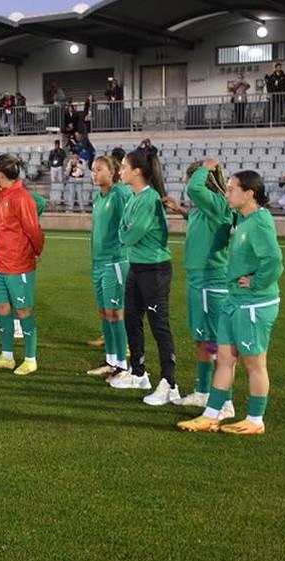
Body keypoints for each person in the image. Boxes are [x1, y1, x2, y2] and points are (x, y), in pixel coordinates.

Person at [178, 170, 283, 435]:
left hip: (254, 304)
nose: (227, 194)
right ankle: (211, 415)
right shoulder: (243, 218)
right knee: (224, 358)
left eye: (232, 189)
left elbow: (273, 261)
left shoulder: (259, 222)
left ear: (249, 194)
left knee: (254, 363)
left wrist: (257, 283)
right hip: (234, 300)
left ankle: (255, 420)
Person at [162, 160, 237, 412]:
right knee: (203, 340)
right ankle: (204, 392)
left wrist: (206, 165)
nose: (185, 182)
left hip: (211, 282)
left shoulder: (219, 203)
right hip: (199, 281)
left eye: (188, 177)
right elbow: (198, 217)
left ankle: (225, 401)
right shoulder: (207, 209)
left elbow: (195, 189)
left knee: (217, 343)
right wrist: (180, 210)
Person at [110, 150, 179, 405]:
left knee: (159, 326)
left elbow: (130, 235)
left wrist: (126, 231)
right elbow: (122, 230)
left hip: (155, 269)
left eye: (124, 167)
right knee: (131, 320)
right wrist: (125, 230)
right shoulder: (133, 198)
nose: (120, 171)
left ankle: (170, 383)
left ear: (137, 171)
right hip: (137, 268)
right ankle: (139, 373)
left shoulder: (149, 199)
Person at [0, 155, 44, 375]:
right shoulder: (2, 196)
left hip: (19, 265)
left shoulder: (21, 197)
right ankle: (7, 356)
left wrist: (36, 252)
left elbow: (33, 231)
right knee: (2, 309)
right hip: (0, 264)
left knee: (24, 310)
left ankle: (30, 359)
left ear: (0, 174)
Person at [86, 156, 133, 381]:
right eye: (93, 170)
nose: (94, 173)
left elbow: (131, 223)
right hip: (98, 262)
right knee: (105, 313)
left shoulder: (120, 194)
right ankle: (111, 360)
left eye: (99, 170)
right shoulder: (98, 197)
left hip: (115, 262)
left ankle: (123, 365)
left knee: (116, 313)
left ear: (112, 172)